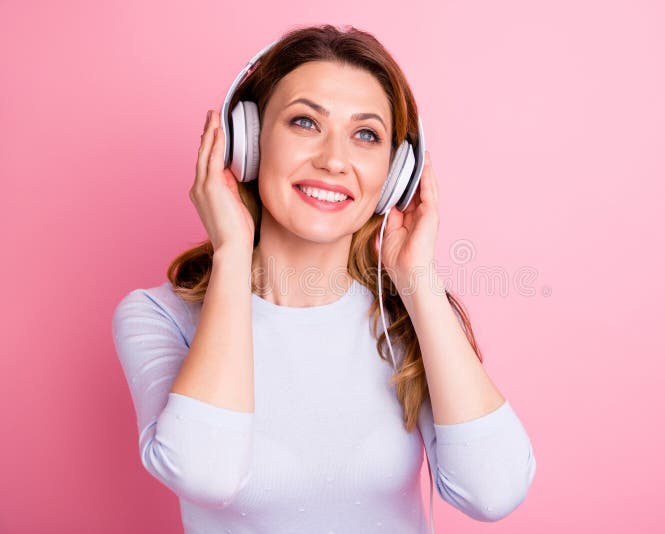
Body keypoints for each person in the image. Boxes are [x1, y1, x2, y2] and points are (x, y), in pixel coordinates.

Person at [111, 23, 535, 533]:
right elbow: (206, 472)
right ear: (246, 144)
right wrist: (231, 253)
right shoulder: (159, 316)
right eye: (304, 122)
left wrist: (416, 279)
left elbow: (494, 492)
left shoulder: (405, 318)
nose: (334, 160)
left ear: (395, 176)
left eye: (365, 135)